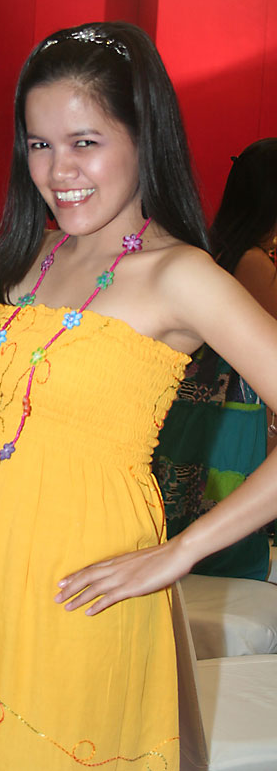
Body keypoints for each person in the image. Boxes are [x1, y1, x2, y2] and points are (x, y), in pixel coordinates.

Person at [0, 23, 277, 771]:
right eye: (39, 144)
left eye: (84, 141)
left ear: (143, 138)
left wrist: (181, 553)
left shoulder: (180, 275)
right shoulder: (24, 256)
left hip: (87, 575)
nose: (59, 171)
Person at [153, 138, 277, 579]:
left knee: (188, 492)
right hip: (232, 407)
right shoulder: (253, 262)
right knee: (225, 496)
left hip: (200, 401)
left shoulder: (216, 250)